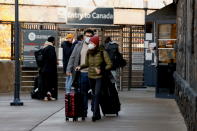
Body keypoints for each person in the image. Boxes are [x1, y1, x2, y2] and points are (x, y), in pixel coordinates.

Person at [76, 36, 112, 122]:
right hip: (90, 76)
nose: (90, 45)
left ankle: (95, 114)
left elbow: (109, 64)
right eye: (90, 43)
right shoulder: (89, 52)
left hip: (99, 77)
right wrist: (80, 67)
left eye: (92, 43)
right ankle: (98, 114)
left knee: (97, 94)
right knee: (94, 95)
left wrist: (101, 70)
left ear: (96, 44)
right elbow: (87, 64)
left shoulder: (103, 52)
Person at [66, 29, 94, 118]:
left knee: (95, 93)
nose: (88, 37)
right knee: (83, 93)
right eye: (87, 35)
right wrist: (68, 69)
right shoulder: (78, 45)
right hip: (82, 73)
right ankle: (84, 111)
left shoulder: (95, 45)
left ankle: (94, 110)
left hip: (94, 74)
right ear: (84, 36)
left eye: (90, 36)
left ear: (92, 36)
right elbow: (72, 57)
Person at [41, 36, 58, 101]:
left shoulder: (44, 47)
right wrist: (55, 62)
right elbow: (52, 58)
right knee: (50, 83)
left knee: (45, 83)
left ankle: (45, 96)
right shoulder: (51, 48)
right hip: (50, 69)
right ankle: (49, 96)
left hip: (44, 68)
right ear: (53, 41)